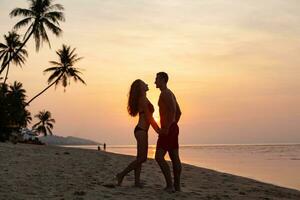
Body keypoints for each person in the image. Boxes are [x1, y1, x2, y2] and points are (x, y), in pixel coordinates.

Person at [116, 79, 160, 187]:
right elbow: (149, 118)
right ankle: (121, 174)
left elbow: (149, 117)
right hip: (141, 130)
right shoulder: (143, 100)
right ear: (140, 88)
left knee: (139, 158)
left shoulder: (144, 98)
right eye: (144, 83)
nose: (147, 84)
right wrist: (158, 130)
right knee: (142, 158)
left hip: (141, 130)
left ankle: (137, 182)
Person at [154, 72, 182, 192]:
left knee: (159, 157)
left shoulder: (165, 93)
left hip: (168, 129)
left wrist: (167, 128)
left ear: (163, 80)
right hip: (172, 128)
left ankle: (170, 185)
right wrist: (174, 124)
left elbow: (171, 110)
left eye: (157, 79)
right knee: (174, 157)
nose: (155, 81)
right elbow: (179, 112)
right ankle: (177, 186)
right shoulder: (171, 93)